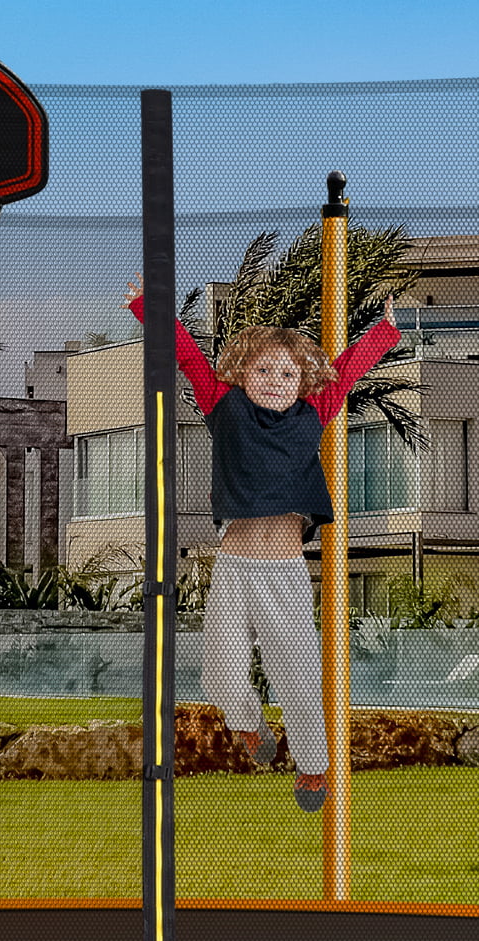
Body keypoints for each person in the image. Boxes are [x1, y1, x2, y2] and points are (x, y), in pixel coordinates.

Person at [129, 290, 400, 811]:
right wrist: (149, 306)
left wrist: (384, 332)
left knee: (297, 674)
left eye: (288, 374)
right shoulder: (222, 403)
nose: (276, 380)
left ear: (304, 382)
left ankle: (313, 766)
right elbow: (186, 354)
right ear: (240, 373)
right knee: (220, 671)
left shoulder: (313, 411)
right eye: (264, 371)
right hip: (233, 568)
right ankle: (250, 723)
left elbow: (347, 371)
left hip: (285, 573)